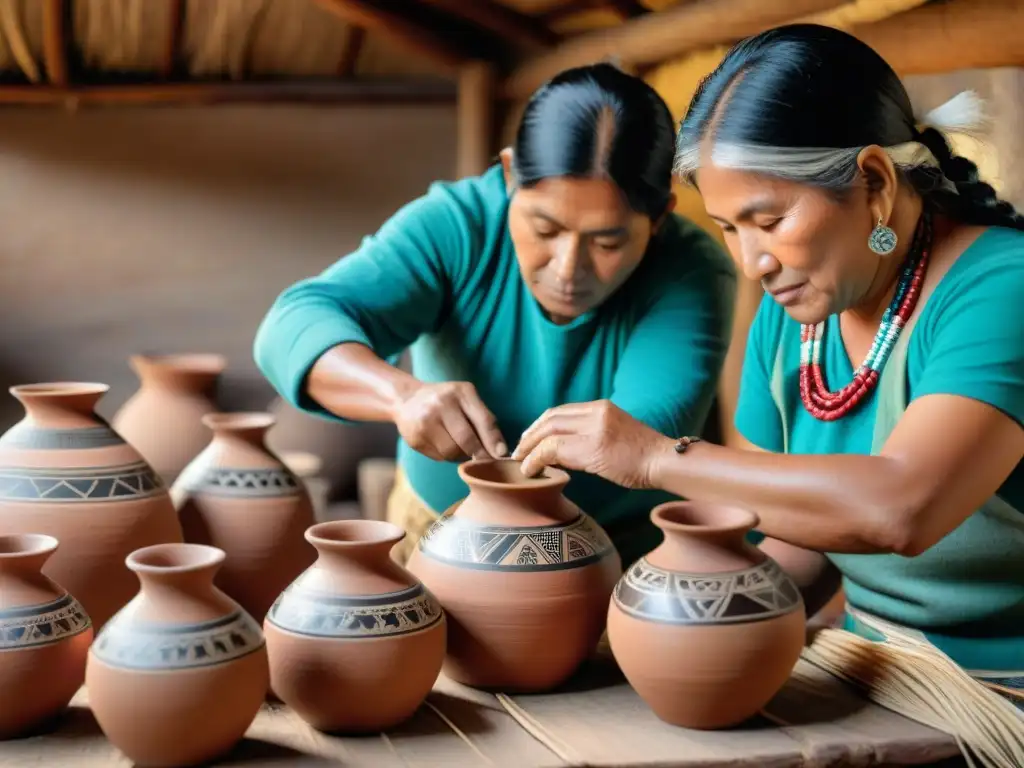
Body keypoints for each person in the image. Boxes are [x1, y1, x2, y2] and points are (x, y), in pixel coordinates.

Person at [513, 24, 1023, 708]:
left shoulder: (1001, 288)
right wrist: (675, 616)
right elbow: (799, 540)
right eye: (728, 228)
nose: (751, 262)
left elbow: (903, 508)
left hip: (999, 694)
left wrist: (660, 458)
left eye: (769, 220)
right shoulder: (798, 318)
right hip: (879, 671)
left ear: (872, 182)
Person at [253, 63, 737, 566]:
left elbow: (650, 429)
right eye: (545, 229)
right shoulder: (458, 227)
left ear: (658, 218)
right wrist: (402, 397)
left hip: (622, 554)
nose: (568, 268)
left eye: (607, 241)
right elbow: (293, 325)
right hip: (435, 532)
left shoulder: (692, 272)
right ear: (509, 176)